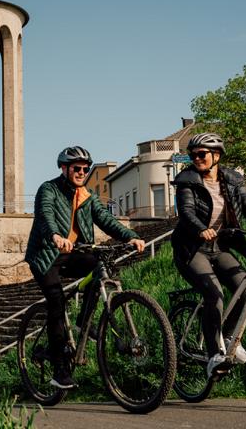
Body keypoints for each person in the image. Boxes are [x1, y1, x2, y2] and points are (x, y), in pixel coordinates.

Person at [171, 132, 246, 378]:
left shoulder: (232, 180)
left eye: (202, 154)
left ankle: (228, 339)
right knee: (214, 295)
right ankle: (213, 353)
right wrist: (200, 229)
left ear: (216, 156)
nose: (196, 158)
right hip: (192, 249)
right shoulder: (187, 180)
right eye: (193, 155)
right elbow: (185, 211)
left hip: (220, 248)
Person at [25, 146, 146, 389]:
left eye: (85, 169)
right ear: (64, 168)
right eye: (77, 168)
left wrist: (130, 236)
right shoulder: (48, 189)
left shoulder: (87, 196)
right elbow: (45, 215)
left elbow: (106, 220)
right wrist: (56, 235)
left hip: (74, 252)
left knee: (101, 266)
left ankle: (82, 322)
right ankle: (60, 370)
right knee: (57, 302)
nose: (82, 172)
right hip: (47, 255)